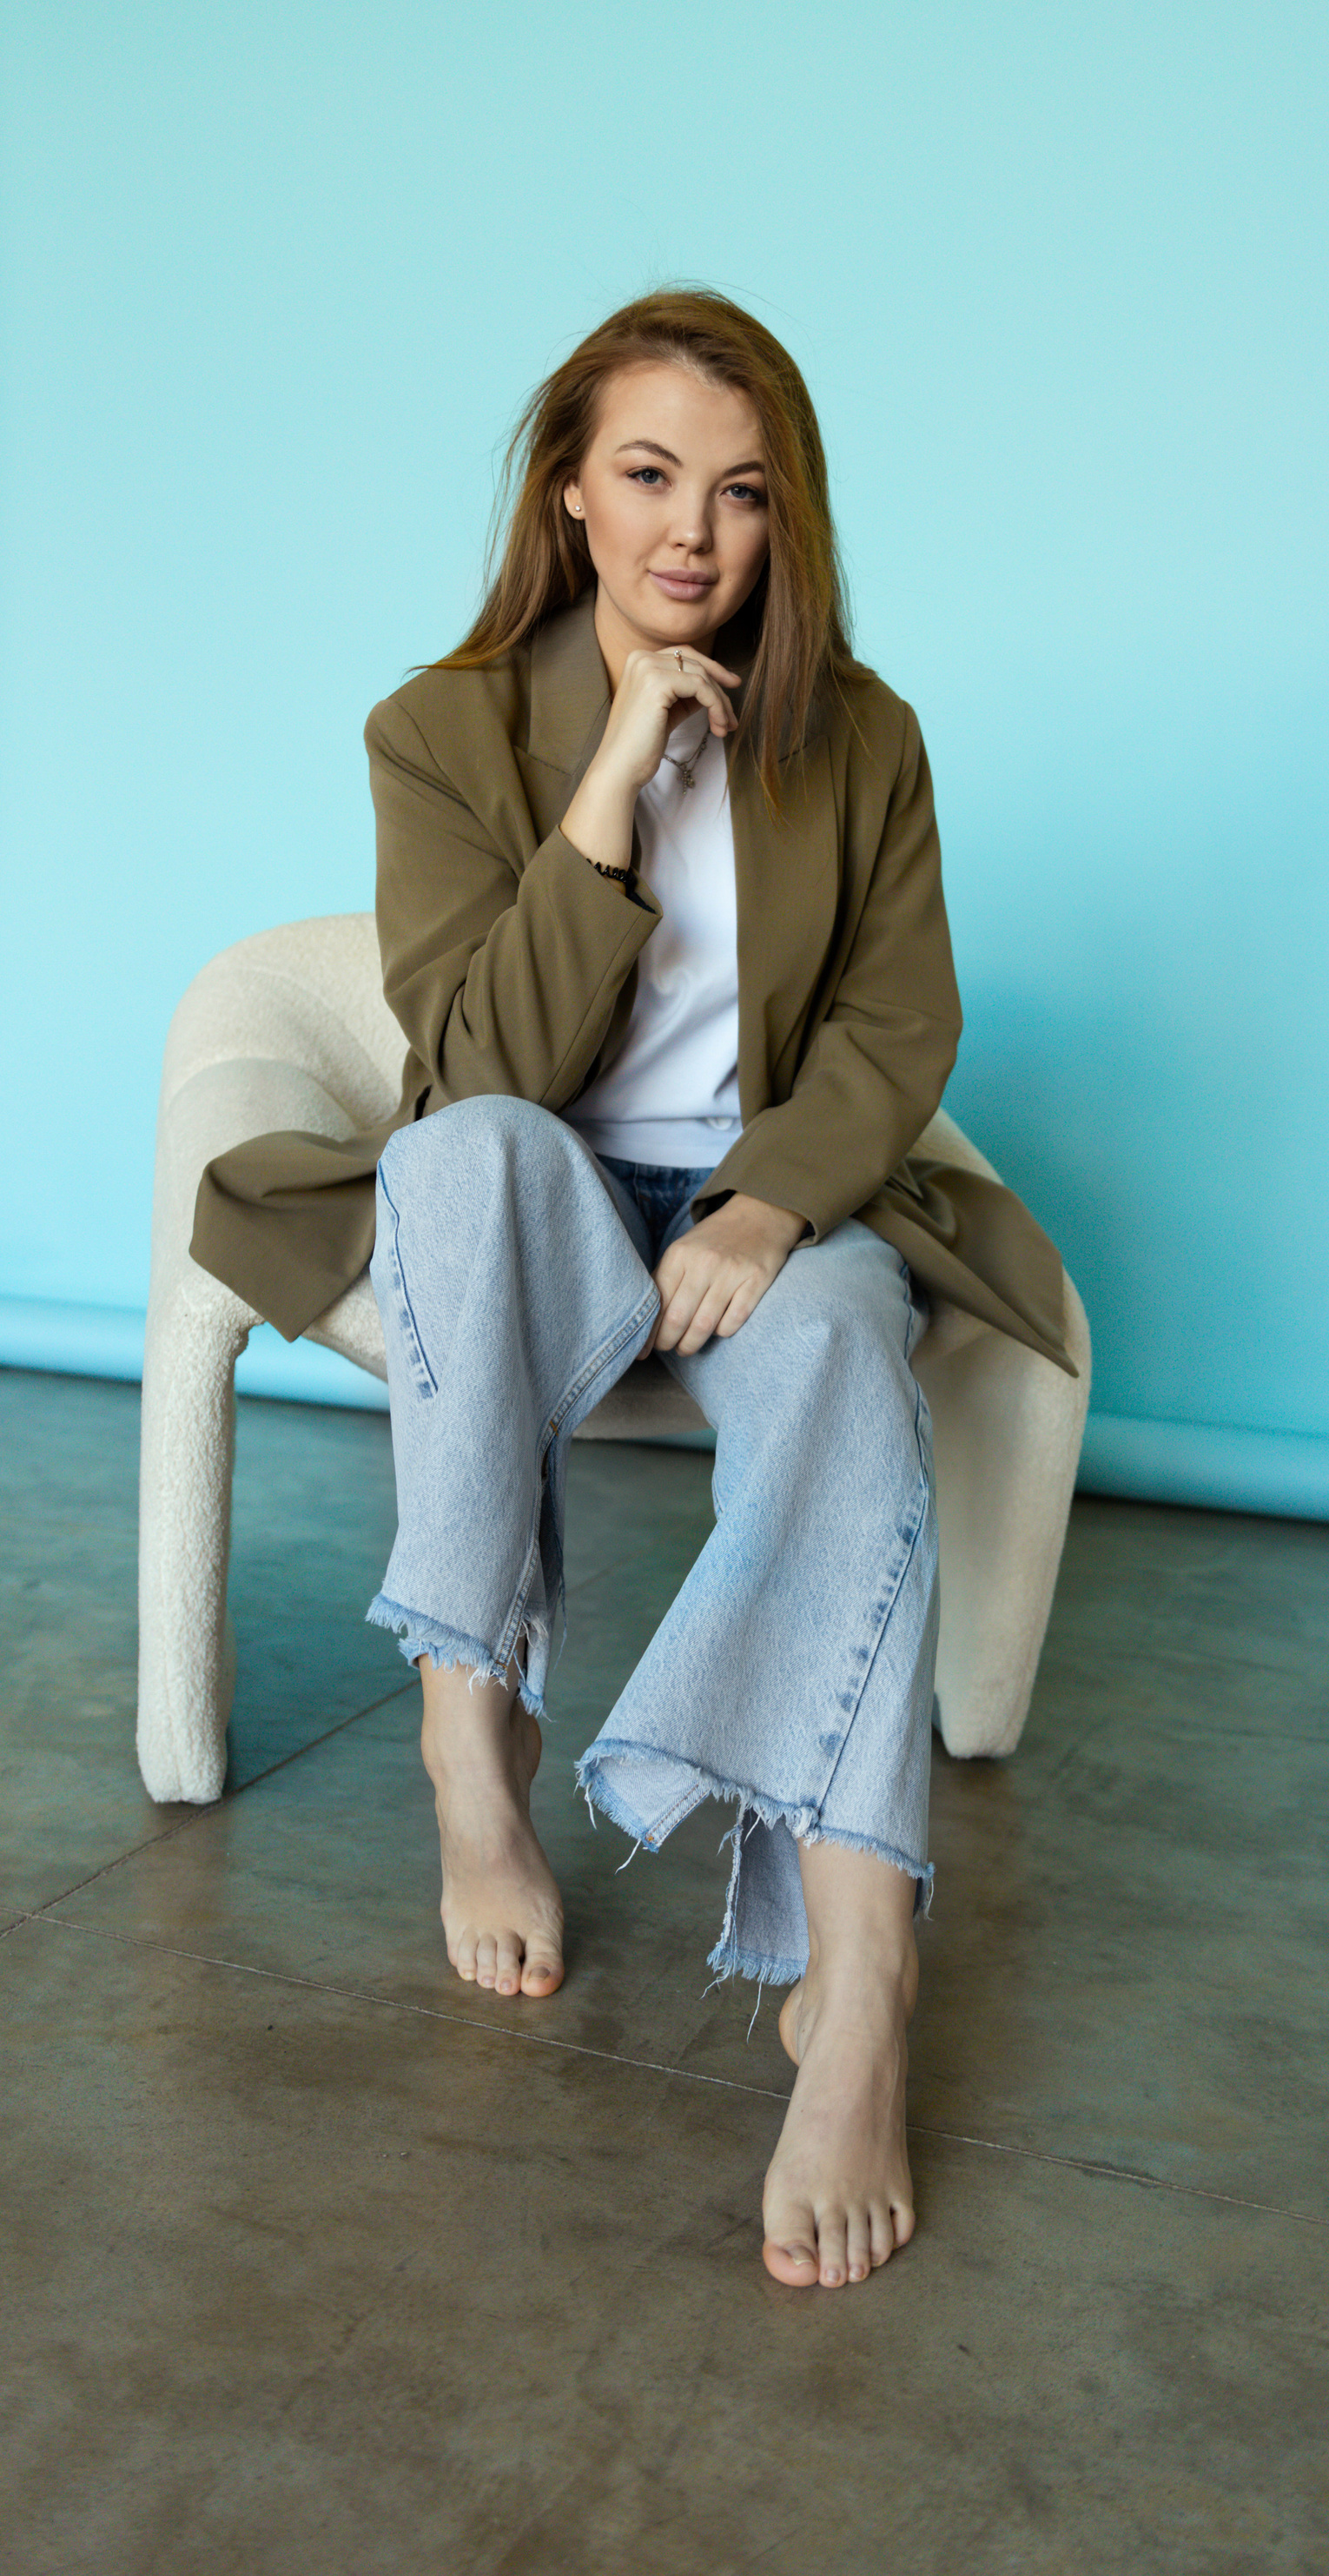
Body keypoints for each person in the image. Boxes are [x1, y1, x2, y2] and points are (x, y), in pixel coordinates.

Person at [190, 289, 1074, 2290]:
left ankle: (861, 1979)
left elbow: (895, 1024)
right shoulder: (441, 730)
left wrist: (770, 1206)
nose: (694, 529)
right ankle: (469, 1738)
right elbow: (481, 1066)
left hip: (763, 1205)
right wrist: (612, 779)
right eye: (652, 475)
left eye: (742, 492)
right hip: (548, 1197)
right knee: (462, 1152)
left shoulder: (865, 738)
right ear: (571, 495)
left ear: (789, 517)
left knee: (844, 1357)